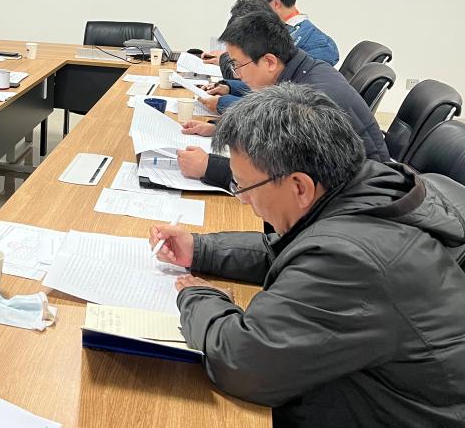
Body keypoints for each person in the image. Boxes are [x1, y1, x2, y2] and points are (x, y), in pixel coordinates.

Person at [150, 84, 465, 427]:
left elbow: (241, 363)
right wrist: (201, 249)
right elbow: (290, 251)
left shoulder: (352, 259)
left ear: (299, 187)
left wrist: (198, 296)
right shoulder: (363, 188)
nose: (243, 199)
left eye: (243, 187)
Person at [178, 10, 388, 187]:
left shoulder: (305, 102)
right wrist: (219, 128)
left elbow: (282, 181)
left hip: (357, 201)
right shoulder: (305, 70)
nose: (237, 74)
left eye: (238, 65)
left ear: (269, 62)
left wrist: (209, 167)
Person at [252, 0, 339, 65]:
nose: (259, 9)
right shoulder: (291, 32)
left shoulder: (317, 42)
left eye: (260, 5)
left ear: (276, 4)